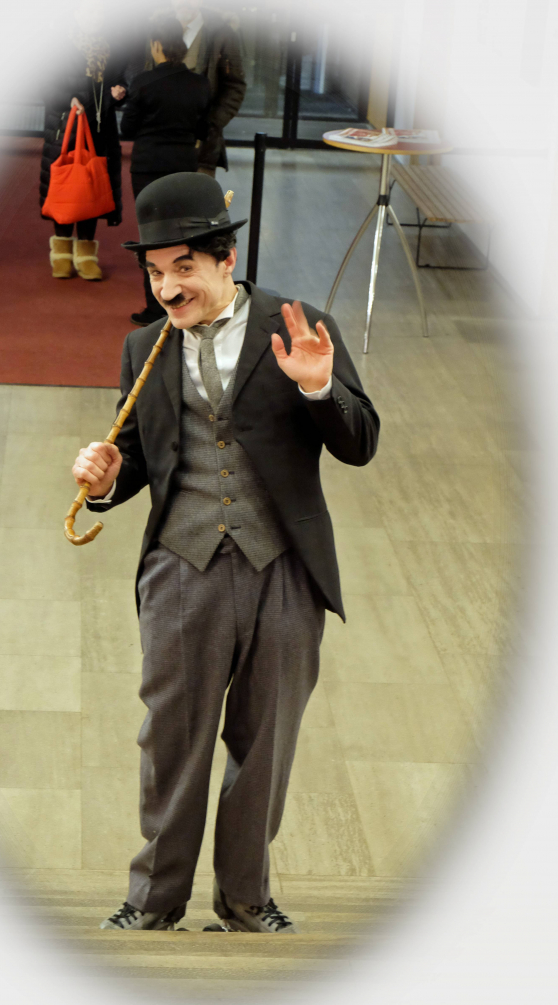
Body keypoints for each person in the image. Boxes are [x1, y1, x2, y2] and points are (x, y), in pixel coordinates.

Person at [71, 173, 380, 932]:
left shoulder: (300, 326)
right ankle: (153, 899)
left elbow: (360, 442)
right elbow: (138, 455)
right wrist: (106, 482)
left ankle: (246, 897)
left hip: (284, 567)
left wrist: (318, 390)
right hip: (181, 566)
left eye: (183, 268)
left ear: (226, 259)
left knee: (266, 740)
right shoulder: (144, 347)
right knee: (171, 739)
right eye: (155, 272)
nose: (168, 288)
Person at [120, 16, 210, 326]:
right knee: (183, 235)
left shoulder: (143, 82)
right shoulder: (200, 84)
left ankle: (156, 308)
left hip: (148, 166)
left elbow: (127, 128)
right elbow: (203, 128)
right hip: (183, 164)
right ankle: (185, 301)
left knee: (152, 237)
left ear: (156, 45)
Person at [40, 1, 128, 281]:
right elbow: (44, 87)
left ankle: (86, 255)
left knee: (92, 187)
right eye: (89, 11)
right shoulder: (58, 46)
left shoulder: (112, 48)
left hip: (100, 129)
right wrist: (68, 100)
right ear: (76, 13)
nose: (95, 17)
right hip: (66, 127)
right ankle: (62, 253)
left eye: (100, 11)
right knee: (67, 186)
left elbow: (121, 81)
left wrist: (120, 92)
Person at [152, 1, 246, 176]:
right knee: (160, 192)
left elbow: (235, 86)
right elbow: (146, 76)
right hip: (159, 144)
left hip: (201, 147)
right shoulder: (157, 28)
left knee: (198, 192)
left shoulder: (222, 33)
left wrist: (211, 123)